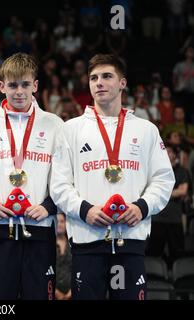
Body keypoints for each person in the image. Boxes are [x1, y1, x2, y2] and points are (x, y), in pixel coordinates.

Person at [50, 54, 175, 300]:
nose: (99, 83)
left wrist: (141, 207)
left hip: (131, 238)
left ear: (122, 83)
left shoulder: (146, 129)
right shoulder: (70, 129)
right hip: (87, 240)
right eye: (93, 78)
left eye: (107, 76)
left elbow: (163, 179)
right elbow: (59, 184)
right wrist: (85, 210)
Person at [0, 52, 63, 300]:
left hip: (41, 228)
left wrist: (49, 206)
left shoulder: (55, 124)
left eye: (25, 84)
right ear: (1, 86)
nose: (19, 91)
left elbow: (65, 177)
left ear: (35, 85)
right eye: (12, 85)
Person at [146, 144, 188, 267]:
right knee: (153, 253)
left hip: (174, 219)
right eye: (164, 151)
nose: (166, 154)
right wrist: (173, 192)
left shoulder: (182, 171)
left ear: (175, 154)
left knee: (177, 253)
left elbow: (183, 191)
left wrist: (160, 193)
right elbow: (148, 191)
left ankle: (177, 281)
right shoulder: (155, 171)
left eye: (169, 151)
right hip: (157, 218)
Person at [55, 213, 72, 300]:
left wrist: (73, 289)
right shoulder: (47, 246)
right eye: (57, 221)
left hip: (72, 291)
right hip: (52, 292)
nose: (59, 224)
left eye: (62, 221)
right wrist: (55, 292)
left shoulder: (72, 244)